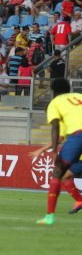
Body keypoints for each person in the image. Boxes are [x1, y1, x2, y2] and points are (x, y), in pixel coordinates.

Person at [36, 78, 82, 225]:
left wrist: (54, 152)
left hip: (79, 135)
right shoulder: (79, 97)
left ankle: (49, 216)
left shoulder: (55, 103)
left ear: (53, 91)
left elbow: (55, 126)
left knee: (58, 172)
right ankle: (79, 200)